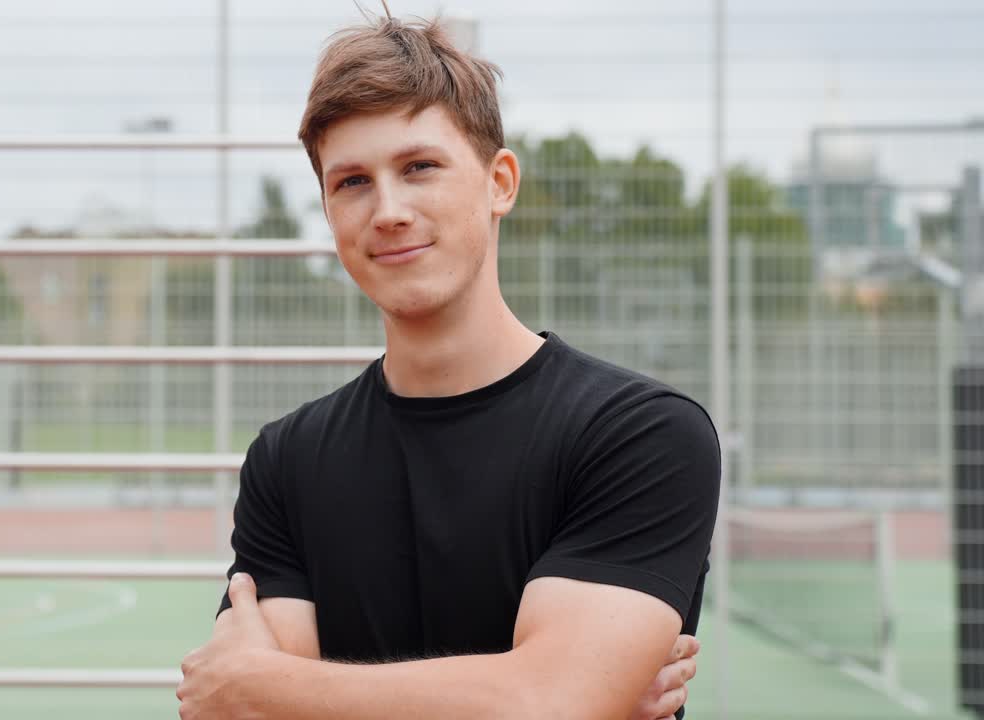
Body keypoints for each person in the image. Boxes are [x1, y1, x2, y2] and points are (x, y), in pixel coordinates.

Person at [177, 11, 720, 720]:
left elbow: (545, 705)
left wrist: (262, 683)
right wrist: (548, 692)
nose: (389, 210)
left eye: (419, 167)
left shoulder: (639, 436)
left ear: (500, 182)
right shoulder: (288, 460)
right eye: (351, 182)